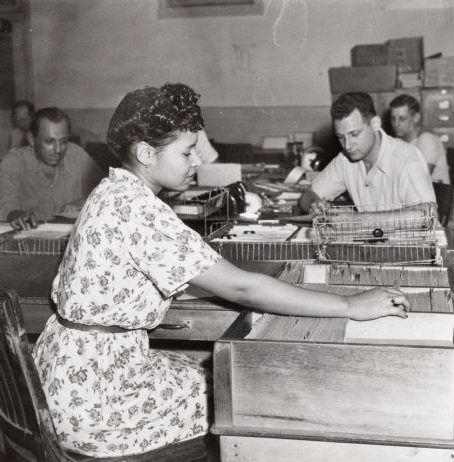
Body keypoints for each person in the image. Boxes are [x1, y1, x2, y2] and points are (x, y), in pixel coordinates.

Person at [32, 83, 409, 458]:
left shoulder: (112, 190)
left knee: (208, 371)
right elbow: (243, 289)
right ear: (147, 153)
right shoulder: (140, 210)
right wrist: (349, 305)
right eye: (186, 152)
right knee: (240, 394)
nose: (196, 162)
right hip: (96, 401)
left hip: (64, 374)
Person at [299, 92, 436, 214]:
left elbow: (428, 215)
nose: (347, 145)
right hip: (373, 240)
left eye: (354, 134)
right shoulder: (346, 159)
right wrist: (315, 204)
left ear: (375, 123)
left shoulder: (406, 158)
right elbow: (308, 194)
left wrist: (358, 221)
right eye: (341, 137)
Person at [0, 107, 104, 229]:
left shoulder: (77, 155)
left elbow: (106, 190)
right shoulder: (13, 162)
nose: (58, 150)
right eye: (49, 141)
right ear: (31, 139)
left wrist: (83, 202)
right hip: (31, 238)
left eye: (64, 141)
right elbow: (6, 204)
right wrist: (16, 215)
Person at [390, 94, 450, 185]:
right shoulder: (398, 140)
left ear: (416, 118)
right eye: (393, 119)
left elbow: (419, 179)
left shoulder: (426, 139)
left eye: (402, 119)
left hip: (437, 196)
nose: (396, 124)